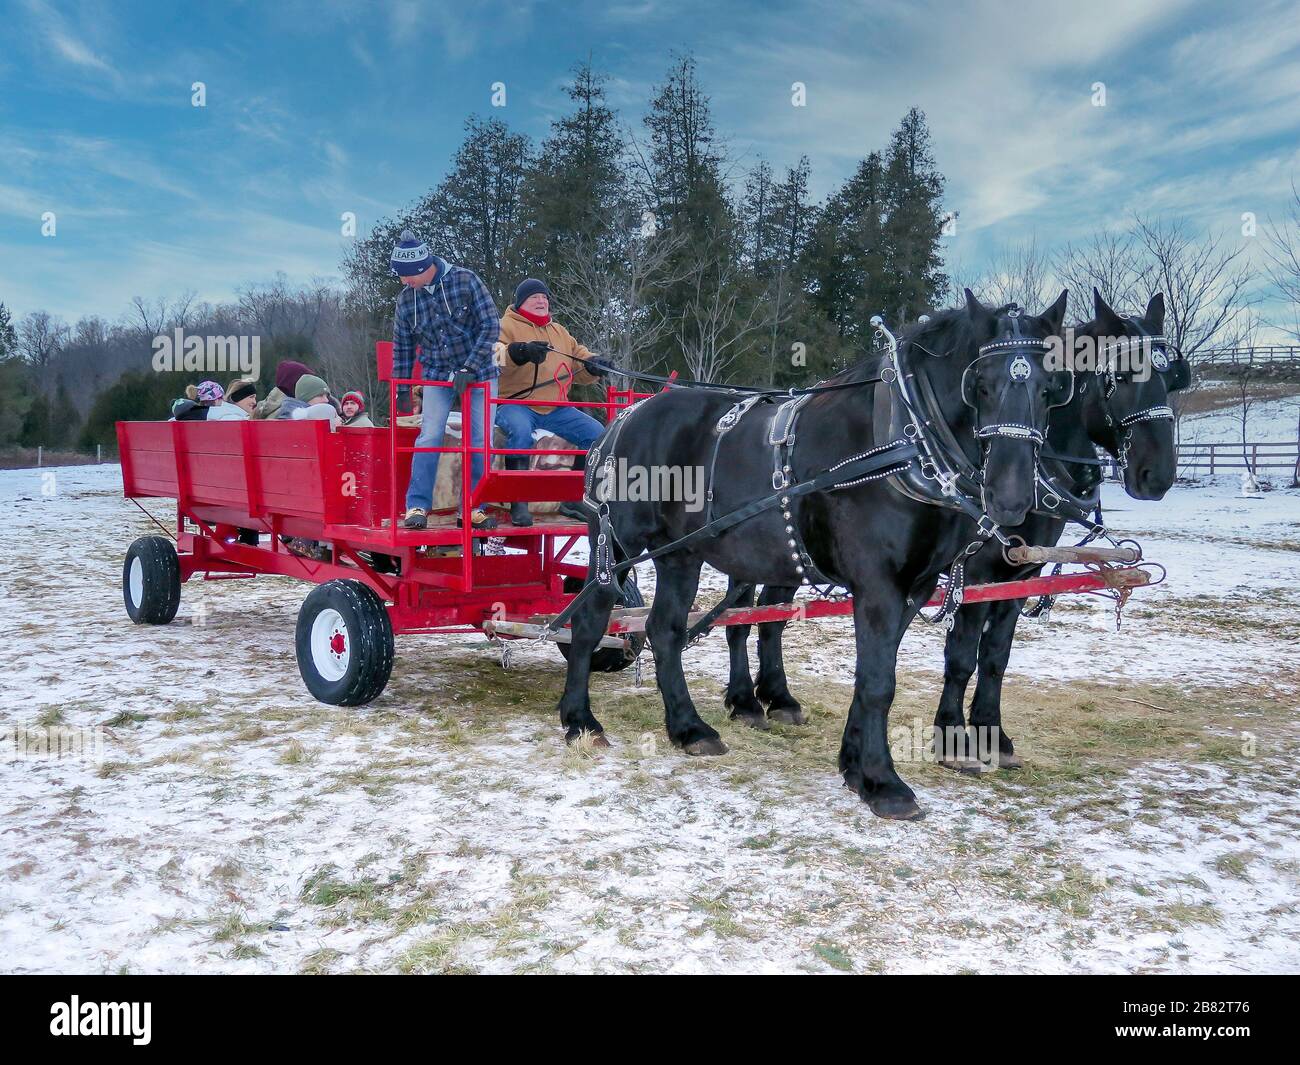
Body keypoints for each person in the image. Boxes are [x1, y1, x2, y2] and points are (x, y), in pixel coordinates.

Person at [390, 230, 500, 530]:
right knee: (429, 436)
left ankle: (474, 507)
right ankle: (417, 506)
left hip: (480, 373)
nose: (404, 282)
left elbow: (491, 326)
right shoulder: (405, 301)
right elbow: (402, 347)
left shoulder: (465, 281)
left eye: (406, 276)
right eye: (400, 277)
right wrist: (401, 388)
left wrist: (470, 367)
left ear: (422, 268)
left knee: (480, 441)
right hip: (436, 375)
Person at [495, 278, 608, 525]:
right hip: (514, 403)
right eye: (535, 297)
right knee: (521, 432)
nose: (541, 301)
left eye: (545, 297)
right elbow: (492, 356)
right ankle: (518, 502)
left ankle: (575, 498)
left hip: (556, 408)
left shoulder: (559, 331)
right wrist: (520, 352)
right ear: (521, 301)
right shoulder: (504, 325)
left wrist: (595, 364)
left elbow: (578, 358)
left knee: (598, 434)